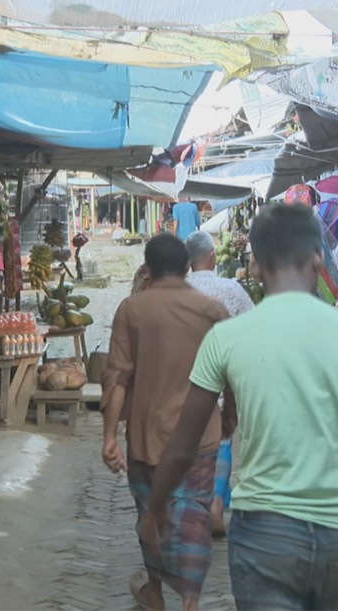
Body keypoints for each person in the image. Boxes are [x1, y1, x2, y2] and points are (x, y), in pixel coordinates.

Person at [141, 203, 338, 611]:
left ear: (257, 265)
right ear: (318, 257)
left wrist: (154, 510)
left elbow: (182, 445)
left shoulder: (226, 338)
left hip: (263, 536)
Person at [102, 234, 230, 611]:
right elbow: (231, 370)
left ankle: (155, 590)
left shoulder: (132, 309)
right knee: (193, 516)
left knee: (151, 515)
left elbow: (117, 376)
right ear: (188, 267)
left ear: (148, 268)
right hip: (201, 437)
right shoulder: (212, 311)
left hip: (146, 437)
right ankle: (190, 599)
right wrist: (232, 414)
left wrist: (109, 435)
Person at [183, 231, 253, 536]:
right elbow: (253, 327)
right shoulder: (232, 288)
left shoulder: (177, 291)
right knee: (222, 438)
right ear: (212, 256)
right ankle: (215, 504)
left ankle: (192, 506)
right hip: (223, 379)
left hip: (183, 380)